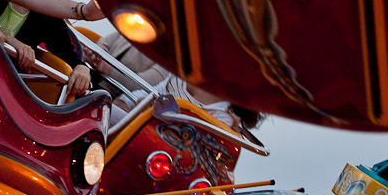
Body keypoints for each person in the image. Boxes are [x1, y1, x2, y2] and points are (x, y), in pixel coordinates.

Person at [86, 32, 263, 132]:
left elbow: (184, 139)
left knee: (96, 111)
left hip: (153, 141)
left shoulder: (222, 114)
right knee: (98, 109)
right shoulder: (186, 76)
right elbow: (146, 94)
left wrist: (147, 112)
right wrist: (128, 103)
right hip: (131, 120)